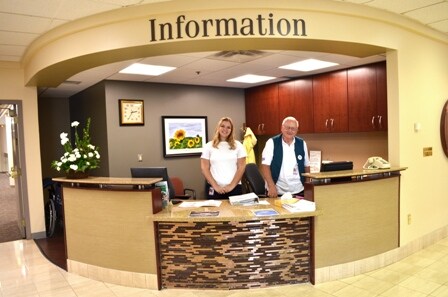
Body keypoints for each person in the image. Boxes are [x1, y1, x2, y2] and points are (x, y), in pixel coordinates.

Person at [261, 116, 310, 198]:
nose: (290, 130)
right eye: (287, 127)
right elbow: (265, 166)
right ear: (282, 128)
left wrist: (308, 186)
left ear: (297, 130)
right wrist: (271, 186)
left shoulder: (302, 143)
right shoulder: (272, 143)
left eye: (293, 128)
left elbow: (307, 166)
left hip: (298, 190)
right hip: (277, 190)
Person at [201, 117, 247, 199]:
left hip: (234, 188)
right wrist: (216, 186)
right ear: (218, 128)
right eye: (222, 126)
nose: (225, 129)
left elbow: (241, 167)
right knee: (215, 212)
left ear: (231, 130)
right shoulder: (208, 146)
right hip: (214, 188)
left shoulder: (238, 146)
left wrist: (231, 186)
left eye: (228, 127)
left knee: (235, 212)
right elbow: (205, 168)